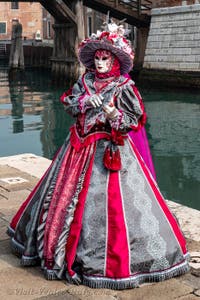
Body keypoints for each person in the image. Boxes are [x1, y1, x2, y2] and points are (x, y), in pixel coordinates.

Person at [7, 21, 189, 290]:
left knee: (114, 210)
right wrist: (83, 102)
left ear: (114, 60)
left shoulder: (124, 86)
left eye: (105, 58)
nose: (100, 62)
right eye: (97, 58)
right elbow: (68, 101)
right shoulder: (85, 80)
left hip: (108, 151)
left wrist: (114, 115)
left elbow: (136, 119)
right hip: (76, 148)